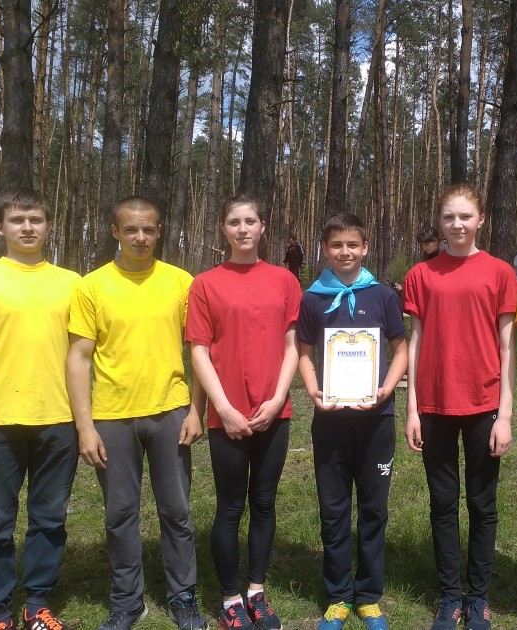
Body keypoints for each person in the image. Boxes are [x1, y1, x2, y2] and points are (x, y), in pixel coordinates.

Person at [66, 196, 208, 630]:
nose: (140, 237)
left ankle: (183, 596)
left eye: (148, 229)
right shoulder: (91, 286)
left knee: (176, 511)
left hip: (170, 412)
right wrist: (85, 426)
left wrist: (196, 410)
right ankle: (128, 602)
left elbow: (198, 350)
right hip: (112, 417)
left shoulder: (181, 282)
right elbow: (78, 358)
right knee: (120, 514)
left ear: (159, 231)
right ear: (115, 232)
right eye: (131, 229)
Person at [0, 188, 80, 630]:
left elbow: (82, 356)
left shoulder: (73, 284)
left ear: (48, 226)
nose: (27, 227)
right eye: (17, 220)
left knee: (49, 519)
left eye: (35, 220)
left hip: (58, 418)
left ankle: (37, 604)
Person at [403, 184, 517, 630]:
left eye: (465, 216)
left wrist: (505, 415)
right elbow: (415, 343)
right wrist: (412, 408)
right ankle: (451, 597)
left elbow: (508, 347)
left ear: (480, 219)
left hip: (484, 402)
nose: (457, 224)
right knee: (443, 503)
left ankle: (479, 597)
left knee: (482, 504)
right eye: (449, 217)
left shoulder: (500, 273)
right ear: (440, 221)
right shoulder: (421, 275)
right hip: (434, 404)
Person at [186, 194, 301, 630]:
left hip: (274, 412)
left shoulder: (284, 280)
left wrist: (277, 399)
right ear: (224, 229)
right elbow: (199, 351)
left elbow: (294, 344)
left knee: (264, 502)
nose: (243, 229)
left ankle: (256, 591)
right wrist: (223, 407)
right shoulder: (205, 284)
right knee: (230, 507)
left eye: (250, 221)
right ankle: (231, 599)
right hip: (227, 415)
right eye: (234, 222)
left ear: (262, 226)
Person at [298, 212, 408, 630]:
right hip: (331, 420)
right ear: (324, 250)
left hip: (376, 418)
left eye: (352, 245)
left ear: (365, 248)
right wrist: (313, 390)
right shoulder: (313, 298)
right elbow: (304, 353)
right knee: (333, 508)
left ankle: (369, 596)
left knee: (374, 509)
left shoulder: (382, 296)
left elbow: (401, 348)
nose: (345, 252)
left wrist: (387, 388)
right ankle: (339, 595)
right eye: (336, 245)